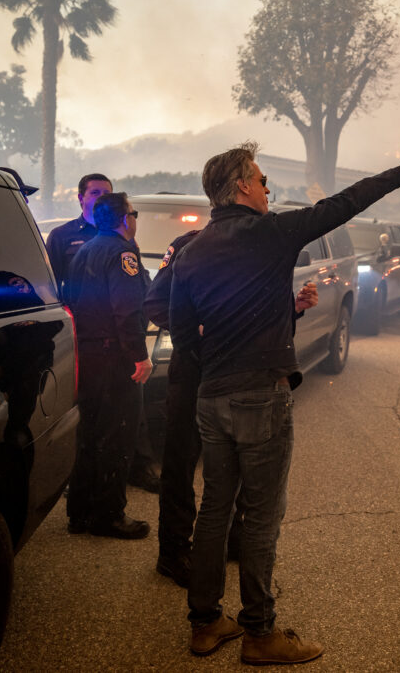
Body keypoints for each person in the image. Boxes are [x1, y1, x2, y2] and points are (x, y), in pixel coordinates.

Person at [169, 140, 400, 664]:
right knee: (262, 516)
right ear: (242, 185)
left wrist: (277, 318)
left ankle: (205, 624)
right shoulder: (269, 234)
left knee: (214, 512)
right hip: (259, 398)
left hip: (211, 397)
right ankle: (260, 633)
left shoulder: (193, 250)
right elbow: (344, 204)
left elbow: (184, 331)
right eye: (262, 180)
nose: (269, 188)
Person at [144, 228, 317, 588]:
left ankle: (235, 539)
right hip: (193, 371)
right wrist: (197, 328)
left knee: (237, 460)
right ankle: (173, 552)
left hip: (239, 375)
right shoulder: (190, 244)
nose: (265, 196)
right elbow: (156, 303)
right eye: (260, 187)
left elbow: (258, 314)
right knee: (180, 463)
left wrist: (294, 307)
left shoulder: (259, 248)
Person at [64, 192, 154, 539]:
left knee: (90, 435)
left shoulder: (85, 250)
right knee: (117, 436)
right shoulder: (122, 252)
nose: (135, 219)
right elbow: (127, 310)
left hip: (87, 354)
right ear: (123, 219)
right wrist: (138, 356)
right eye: (134, 213)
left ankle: (81, 512)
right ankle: (108, 515)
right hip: (114, 357)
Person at [46, 173, 112, 295]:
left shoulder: (119, 233)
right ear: (81, 198)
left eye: (107, 194)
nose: (102, 197)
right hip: (77, 311)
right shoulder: (60, 235)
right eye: (95, 192)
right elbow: (50, 285)